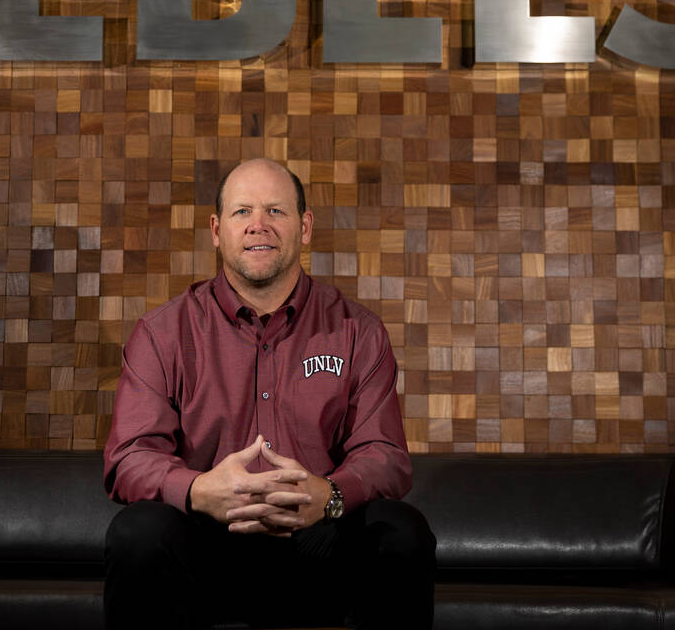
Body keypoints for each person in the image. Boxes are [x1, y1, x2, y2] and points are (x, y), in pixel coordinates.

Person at [102, 158, 436, 629]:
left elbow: (384, 454)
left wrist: (331, 495)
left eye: (276, 211)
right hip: (205, 546)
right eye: (242, 212)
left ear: (304, 227)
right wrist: (199, 489)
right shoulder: (161, 333)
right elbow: (129, 458)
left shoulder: (359, 331)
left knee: (400, 531)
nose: (259, 225)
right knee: (136, 534)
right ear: (217, 230)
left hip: (318, 545)